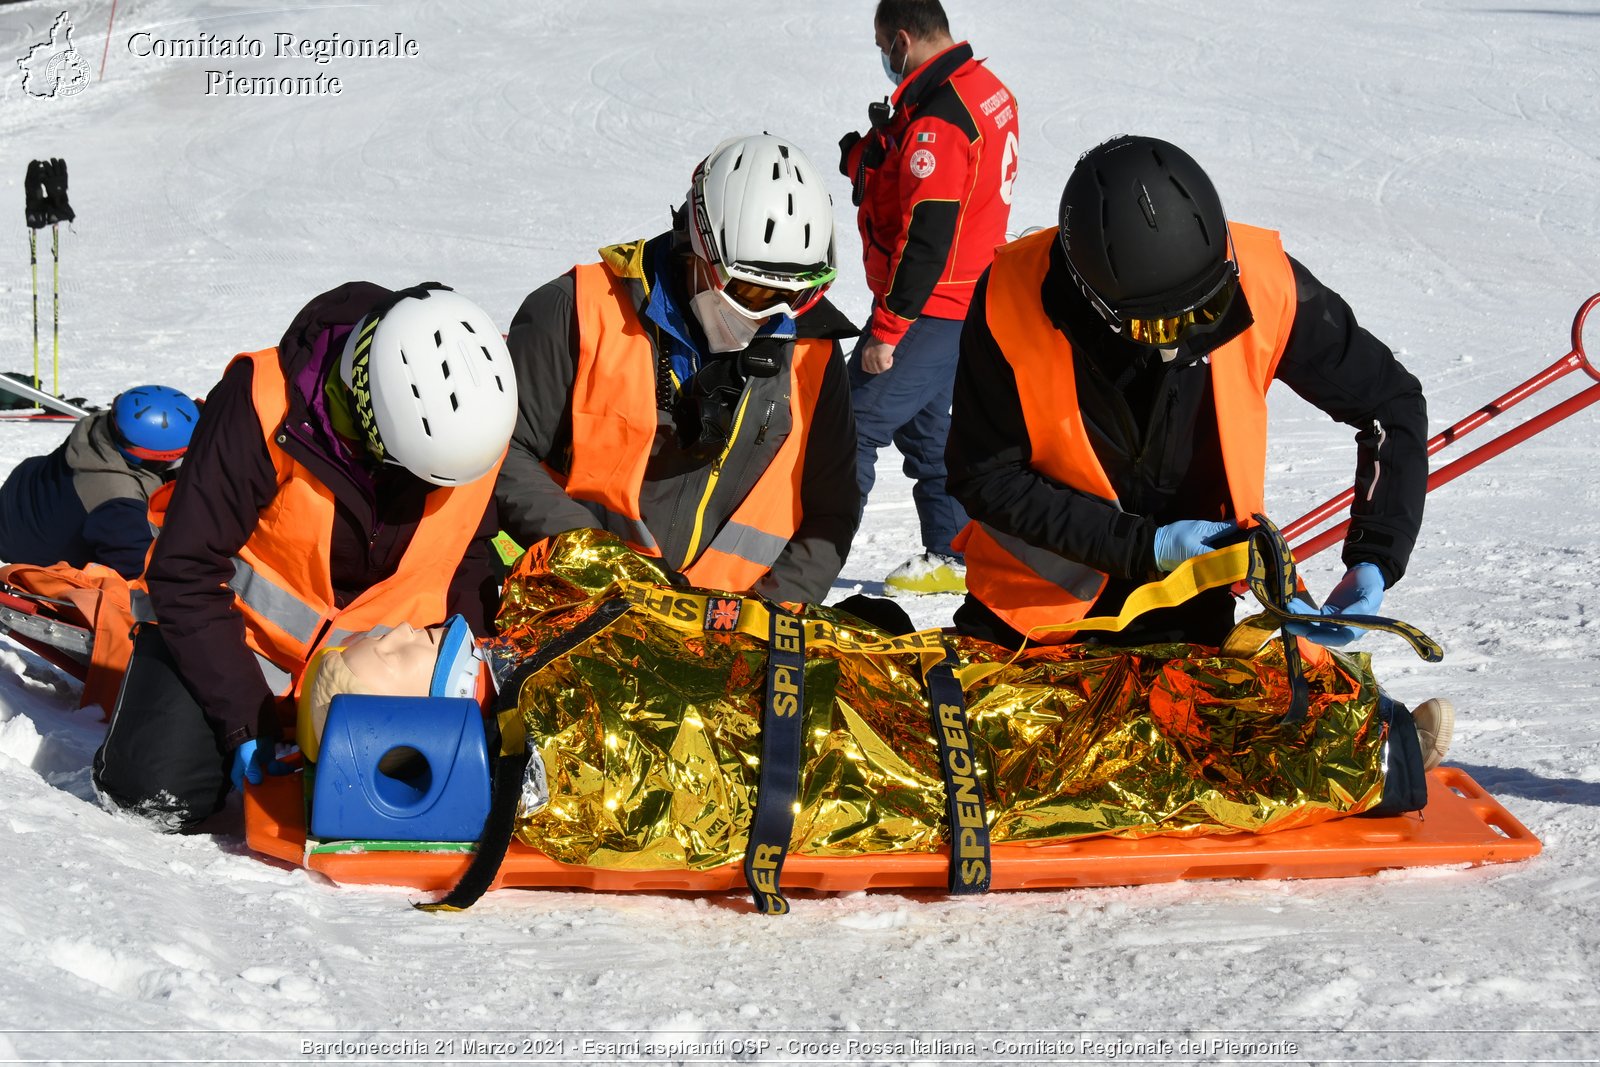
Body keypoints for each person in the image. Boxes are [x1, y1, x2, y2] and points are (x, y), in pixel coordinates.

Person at [947, 135, 1430, 654]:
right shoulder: (1008, 298)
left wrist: (1375, 557)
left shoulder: (1264, 282)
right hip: (1030, 610)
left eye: (1207, 308)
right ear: (1096, 304)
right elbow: (987, 476)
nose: (1186, 341)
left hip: (1189, 603)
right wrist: (1142, 546)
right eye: (1159, 328)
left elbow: (1390, 404)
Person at [92, 283, 517, 830]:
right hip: (238, 649)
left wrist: (476, 691)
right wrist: (246, 718)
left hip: (377, 677)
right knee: (151, 795)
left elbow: (469, 560)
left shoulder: (473, 423)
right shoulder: (262, 402)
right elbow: (185, 570)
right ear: (371, 417)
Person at [494, 134, 860, 603]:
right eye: (752, 292)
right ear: (698, 248)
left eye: (798, 296)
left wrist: (764, 618)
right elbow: (504, 452)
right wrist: (593, 563)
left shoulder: (812, 353)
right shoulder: (577, 310)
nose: (775, 315)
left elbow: (832, 506)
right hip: (580, 605)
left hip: (726, 640)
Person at [838, 0, 1018, 594]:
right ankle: (955, 554)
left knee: (847, 424)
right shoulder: (984, 89)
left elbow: (929, 237)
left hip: (929, 306)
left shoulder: (939, 121)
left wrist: (887, 332)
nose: (883, 59)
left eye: (881, 46)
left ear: (903, 40)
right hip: (968, 301)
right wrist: (869, 158)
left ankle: (802, 565)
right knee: (927, 433)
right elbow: (945, 181)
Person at [0, 385, 198, 578]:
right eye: (177, 458)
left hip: (23, 501)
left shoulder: (104, 426)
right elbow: (141, 571)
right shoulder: (117, 501)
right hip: (35, 552)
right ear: (147, 457)